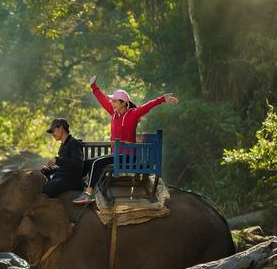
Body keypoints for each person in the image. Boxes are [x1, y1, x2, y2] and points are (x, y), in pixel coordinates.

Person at [73, 75, 179, 204]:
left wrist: (163, 98)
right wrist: (94, 87)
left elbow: (148, 106)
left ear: (123, 103)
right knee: (88, 162)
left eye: (115, 101)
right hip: (117, 155)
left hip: (128, 156)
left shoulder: (133, 114)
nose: (112, 103)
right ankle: (77, 186)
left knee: (96, 163)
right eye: (112, 101)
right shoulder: (114, 114)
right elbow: (102, 100)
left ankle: (88, 195)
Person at [41, 118, 84, 198]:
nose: (52, 134)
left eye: (53, 131)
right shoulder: (63, 146)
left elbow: (78, 164)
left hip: (71, 180)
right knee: (41, 183)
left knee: (46, 189)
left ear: (61, 128)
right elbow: (62, 167)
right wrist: (48, 170)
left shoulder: (74, 143)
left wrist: (58, 160)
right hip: (62, 178)